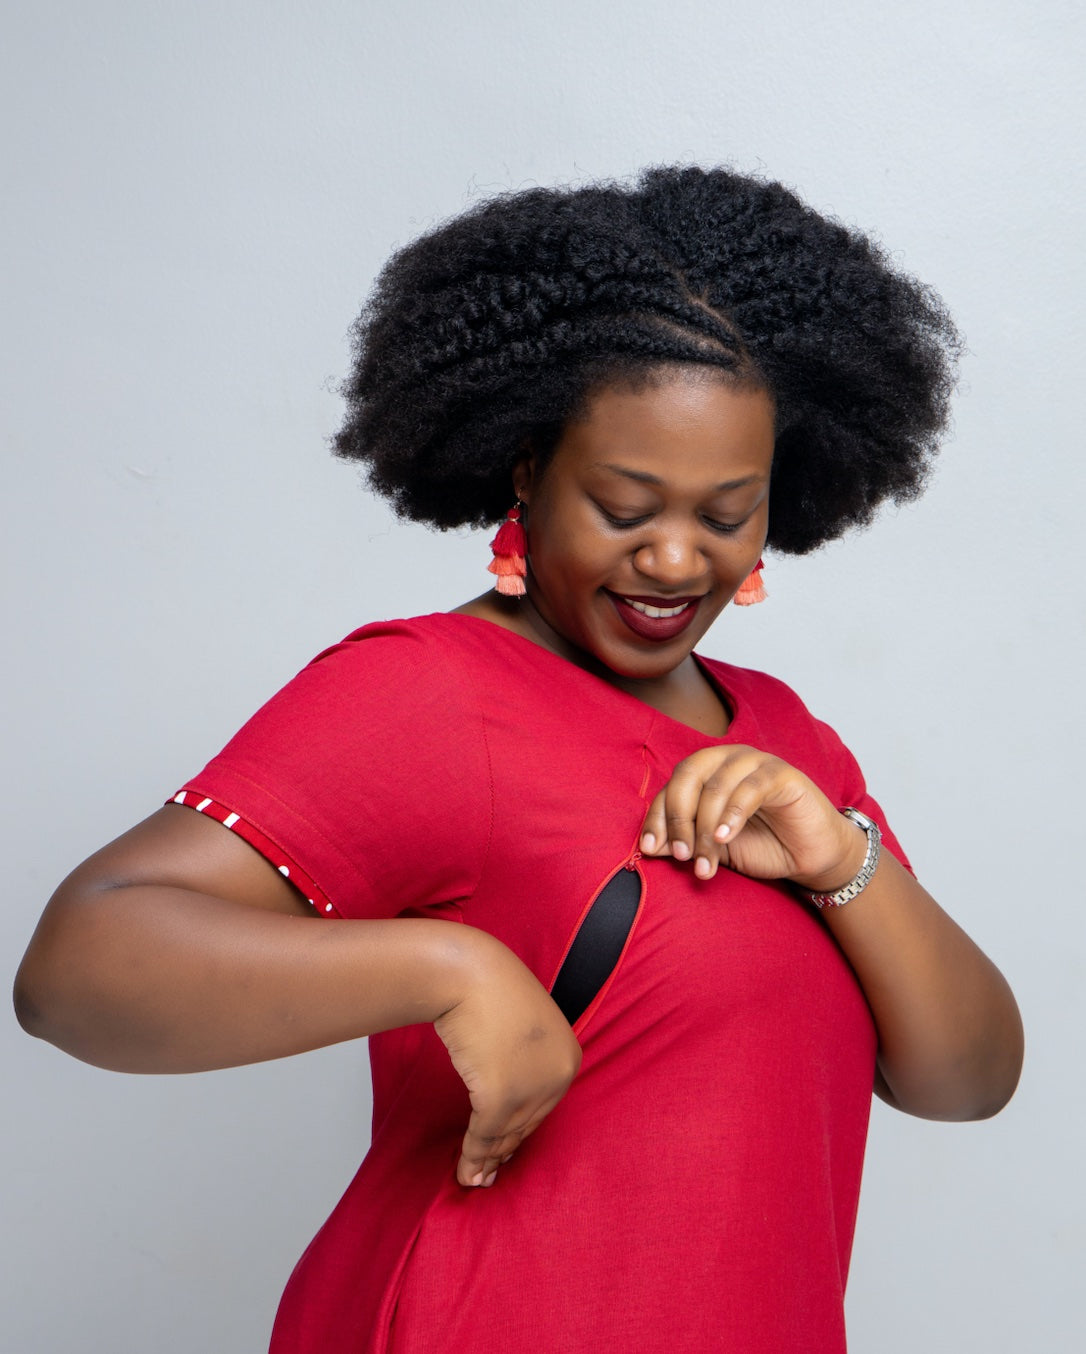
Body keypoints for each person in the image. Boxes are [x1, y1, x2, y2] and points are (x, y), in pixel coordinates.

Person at [15, 166, 1023, 1354]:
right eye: (624, 502)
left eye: (723, 512)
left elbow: (964, 1079)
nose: (673, 559)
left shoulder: (788, 743)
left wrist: (842, 857)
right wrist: (449, 969)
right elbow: (77, 964)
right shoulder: (433, 694)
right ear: (527, 469)